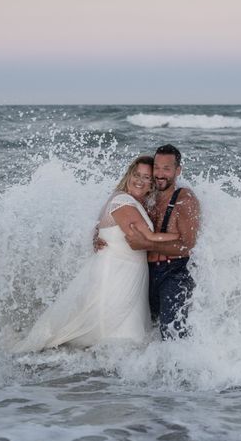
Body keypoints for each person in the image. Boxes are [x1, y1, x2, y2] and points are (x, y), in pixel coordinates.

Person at [13, 156, 179, 352]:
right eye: (136, 175)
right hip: (116, 273)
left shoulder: (131, 201)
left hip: (127, 271)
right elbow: (148, 236)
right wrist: (181, 238)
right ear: (129, 175)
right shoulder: (123, 200)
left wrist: (95, 236)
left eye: (146, 178)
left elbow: (102, 225)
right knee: (115, 334)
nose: (140, 181)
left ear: (152, 184)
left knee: (122, 333)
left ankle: (101, 372)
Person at [125, 144, 200, 340]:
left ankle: (183, 369)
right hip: (146, 272)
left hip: (175, 272)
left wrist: (147, 244)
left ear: (178, 171)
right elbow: (119, 211)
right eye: (156, 167)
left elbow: (187, 245)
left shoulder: (185, 199)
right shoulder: (147, 197)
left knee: (172, 330)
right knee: (145, 330)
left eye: (166, 169)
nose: (160, 174)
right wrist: (99, 233)